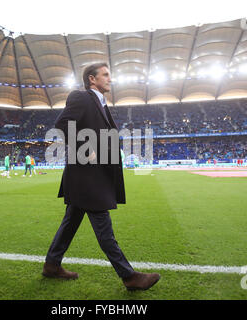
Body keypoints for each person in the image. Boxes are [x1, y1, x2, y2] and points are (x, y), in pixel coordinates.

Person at [43, 62, 160, 291]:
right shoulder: (82, 97)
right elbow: (62, 124)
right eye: (105, 75)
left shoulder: (101, 103)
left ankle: (52, 265)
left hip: (91, 176)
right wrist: (86, 149)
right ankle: (129, 277)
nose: (110, 78)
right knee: (103, 227)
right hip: (87, 177)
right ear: (92, 79)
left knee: (71, 222)